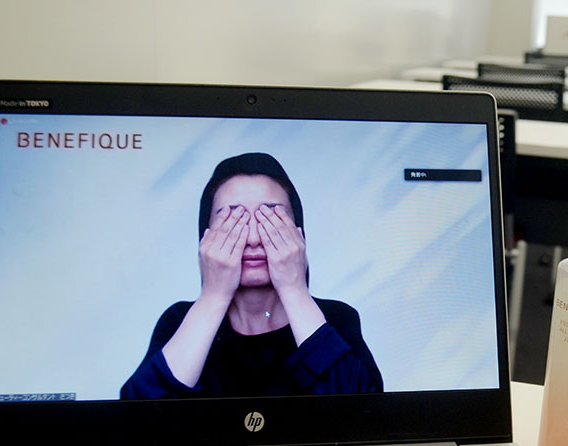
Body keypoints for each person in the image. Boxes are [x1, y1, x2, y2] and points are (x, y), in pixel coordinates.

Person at [121, 153, 383, 398]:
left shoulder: (335, 318)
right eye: (233, 221)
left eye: (271, 219)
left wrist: (294, 290)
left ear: (297, 233)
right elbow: (135, 416)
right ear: (206, 237)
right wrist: (213, 296)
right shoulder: (180, 320)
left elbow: (366, 411)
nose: (254, 239)